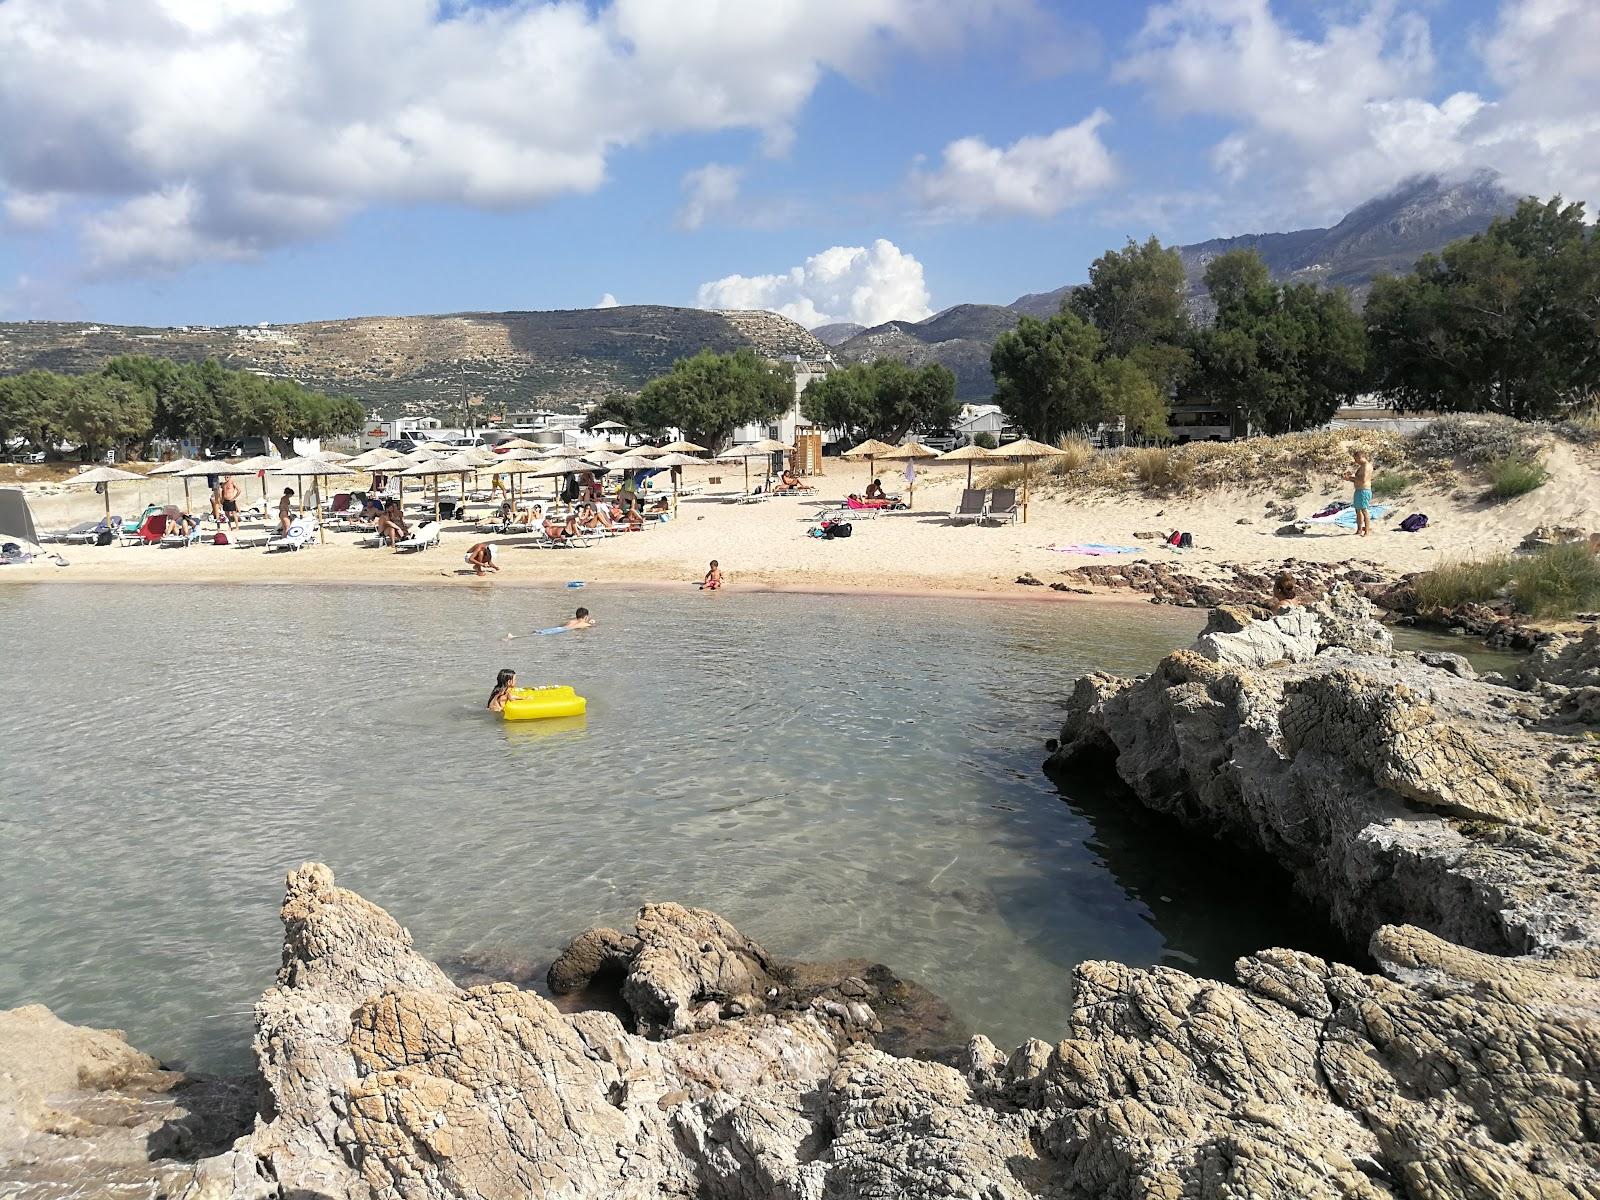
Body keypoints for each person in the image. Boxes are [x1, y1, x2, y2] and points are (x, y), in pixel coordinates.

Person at [1342, 449, 1374, 537]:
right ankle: (1359, 529)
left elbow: (1363, 480)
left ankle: (1367, 531)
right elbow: (1358, 480)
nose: (1355, 461)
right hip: (1359, 490)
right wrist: (1349, 478)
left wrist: (1352, 477)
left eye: (1356, 459)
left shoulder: (1366, 466)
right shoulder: (1362, 466)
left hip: (1364, 490)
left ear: (1360, 458)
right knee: (1358, 510)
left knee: (1364, 510)